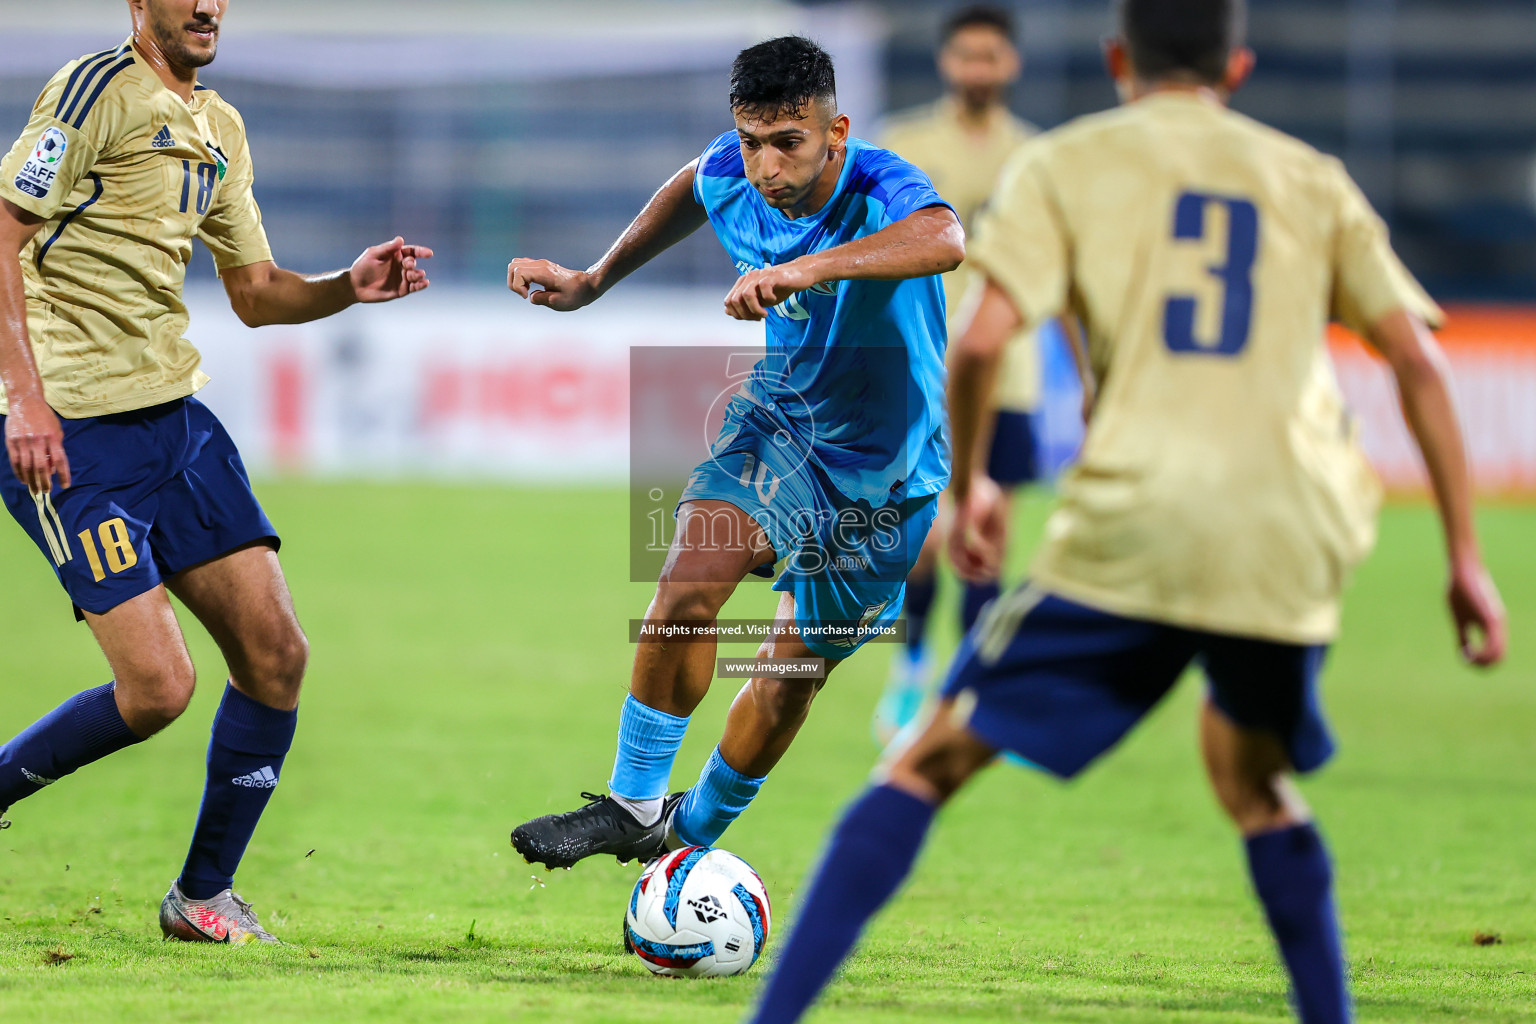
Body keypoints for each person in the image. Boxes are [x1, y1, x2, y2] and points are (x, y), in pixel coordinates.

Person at [744, 1, 1507, 1022]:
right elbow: (1416, 357)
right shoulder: (1311, 178)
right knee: (1255, 784)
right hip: (1290, 533)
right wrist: (1465, 555)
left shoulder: (1066, 165)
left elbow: (977, 345)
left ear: (1116, 60)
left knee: (925, 762)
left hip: (1137, 520)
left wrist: (971, 481)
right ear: (1237, 64)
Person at [0, 0, 432, 944]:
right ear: (138, 4)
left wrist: (345, 287)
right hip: (71, 433)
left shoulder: (220, 128)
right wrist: (23, 397)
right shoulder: (92, 94)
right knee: (158, 690)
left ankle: (201, 897)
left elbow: (256, 293)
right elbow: (1, 231)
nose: (207, 5)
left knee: (277, 656)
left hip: (175, 425)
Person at [507, 36, 963, 870]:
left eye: (789, 143)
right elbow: (693, 184)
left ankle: (683, 842)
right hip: (781, 425)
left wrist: (804, 271)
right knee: (686, 586)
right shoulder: (732, 167)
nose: (765, 168)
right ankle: (632, 802)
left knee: (792, 671)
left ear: (837, 131)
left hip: (889, 468)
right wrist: (595, 279)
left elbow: (945, 237)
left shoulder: (881, 181)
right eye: (753, 142)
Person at [874, 3, 1047, 742]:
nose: (980, 69)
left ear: (1011, 64)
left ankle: (969, 687)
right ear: (948, 62)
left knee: (989, 534)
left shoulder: (1038, 158)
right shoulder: (904, 145)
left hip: (1005, 372)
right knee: (924, 536)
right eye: (967, 56)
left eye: (992, 56)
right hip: (917, 368)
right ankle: (913, 664)